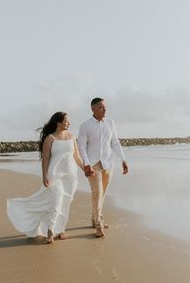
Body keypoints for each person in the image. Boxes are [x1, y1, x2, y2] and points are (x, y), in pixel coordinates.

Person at [7, 112, 84, 244]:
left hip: (71, 176)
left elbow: (77, 156)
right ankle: (50, 232)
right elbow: (45, 158)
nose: (69, 123)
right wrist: (45, 176)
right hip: (55, 176)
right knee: (56, 203)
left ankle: (61, 230)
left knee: (66, 203)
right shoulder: (50, 138)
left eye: (69, 121)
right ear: (58, 123)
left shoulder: (71, 137)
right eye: (66, 121)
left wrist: (86, 169)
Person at [77, 97, 128, 238]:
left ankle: (94, 219)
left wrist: (123, 159)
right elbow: (81, 146)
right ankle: (99, 224)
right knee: (97, 193)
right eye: (101, 107)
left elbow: (115, 142)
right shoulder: (85, 125)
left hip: (108, 163)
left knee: (102, 193)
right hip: (93, 165)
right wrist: (86, 164)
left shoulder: (111, 123)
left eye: (105, 107)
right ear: (93, 109)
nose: (104, 109)